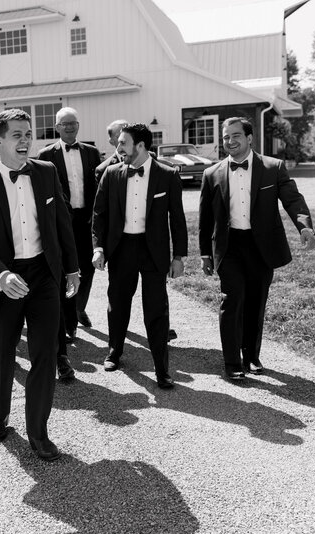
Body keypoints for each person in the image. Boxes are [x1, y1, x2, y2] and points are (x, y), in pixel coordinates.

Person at [0, 108, 79, 461]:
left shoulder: (46, 172)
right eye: (17, 134)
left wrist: (72, 269)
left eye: (28, 133)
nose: (25, 140)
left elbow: (62, 222)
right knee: (1, 353)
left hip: (44, 275)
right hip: (7, 280)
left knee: (45, 355)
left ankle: (39, 434)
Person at [199, 117, 315, 380]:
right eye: (226, 137)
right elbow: (206, 219)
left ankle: (250, 356)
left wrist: (304, 226)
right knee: (231, 300)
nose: (230, 141)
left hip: (261, 246)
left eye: (235, 135)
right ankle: (231, 362)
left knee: (255, 302)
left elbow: (293, 199)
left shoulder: (272, 168)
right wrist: (205, 253)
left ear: (250, 138)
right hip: (229, 247)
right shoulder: (212, 173)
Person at [92, 123, 187, 389]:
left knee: (156, 310)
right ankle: (114, 352)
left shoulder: (167, 175)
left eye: (123, 143)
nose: (118, 147)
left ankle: (162, 368)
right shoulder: (110, 174)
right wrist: (98, 247)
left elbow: (177, 219)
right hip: (121, 249)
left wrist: (178, 256)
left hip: (153, 251)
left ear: (141, 146)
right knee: (118, 304)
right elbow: (98, 215)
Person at [36, 107, 101, 379]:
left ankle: (78, 307)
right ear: (57, 127)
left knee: (88, 268)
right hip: (61, 223)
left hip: (87, 220)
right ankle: (69, 323)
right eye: (65, 124)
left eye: (73, 123)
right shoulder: (45, 156)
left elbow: (98, 187)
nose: (70, 128)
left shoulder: (92, 153)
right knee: (64, 271)